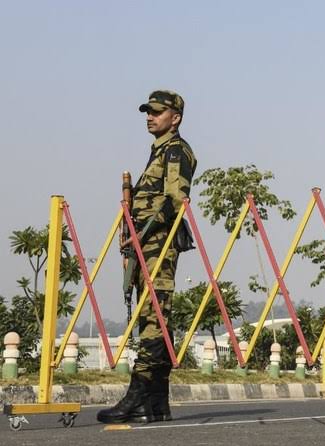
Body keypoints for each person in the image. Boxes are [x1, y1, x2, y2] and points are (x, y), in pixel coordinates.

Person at [97, 90, 197, 423]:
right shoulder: (157, 152)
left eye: (156, 112)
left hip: (158, 244)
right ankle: (157, 402)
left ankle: (138, 397)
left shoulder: (176, 152)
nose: (149, 116)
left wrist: (142, 231)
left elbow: (174, 199)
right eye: (148, 112)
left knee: (155, 317)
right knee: (150, 317)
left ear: (175, 117)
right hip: (144, 245)